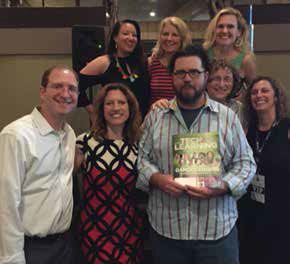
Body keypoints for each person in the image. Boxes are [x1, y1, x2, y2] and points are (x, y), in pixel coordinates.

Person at [137, 45, 256, 264]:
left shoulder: (228, 117)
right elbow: (141, 159)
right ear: (172, 77)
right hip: (167, 230)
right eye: (180, 73)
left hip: (217, 231)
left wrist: (223, 185)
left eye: (194, 72)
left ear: (205, 75)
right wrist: (156, 178)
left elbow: (246, 163)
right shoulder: (155, 117)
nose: (187, 79)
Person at [0, 65, 79, 263]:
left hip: (64, 245)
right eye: (57, 86)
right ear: (42, 92)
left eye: (72, 88)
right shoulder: (16, 136)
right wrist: (12, 258)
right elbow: (6, 204)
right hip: (30, 249)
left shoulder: (69, 135)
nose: (65, 94)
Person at [76, 83, 145, 263]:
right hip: (94, 231)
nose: (116, 108)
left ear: (130, 108)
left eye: (121, 103)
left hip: (131, 231)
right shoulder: (84, 143)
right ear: (101, 109)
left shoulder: (139, 145)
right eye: (109, 103)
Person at [238, 76, 290, 264]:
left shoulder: (287, 128)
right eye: (254, 92)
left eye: (265, 90)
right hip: (251, 212)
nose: (259, 95)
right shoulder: (245, 131)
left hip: (282, 214)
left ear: (276, 97)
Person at [78, 19, 150, 126]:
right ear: (115, 37)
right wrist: (92, 111)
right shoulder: (105, 62)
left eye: (134, 35)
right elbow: (76, 85)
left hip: (141, 126)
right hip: (113, 126)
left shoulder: (143, 62)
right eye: (125, 34)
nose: (131, 38)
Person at [203, 7, 256, 86]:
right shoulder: (203, 54)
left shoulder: (246, 60)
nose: (224, 31)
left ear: (239, 32)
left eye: (230, 26)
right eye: (220, 26)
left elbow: (253, 89)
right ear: (214, 30)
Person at [149, 16, 192, 105]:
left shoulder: (190, 64)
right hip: (156, 116)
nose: (169, 38)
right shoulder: (151, 63)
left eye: (174, 35)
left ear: (182, 38)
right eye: (165, 34)